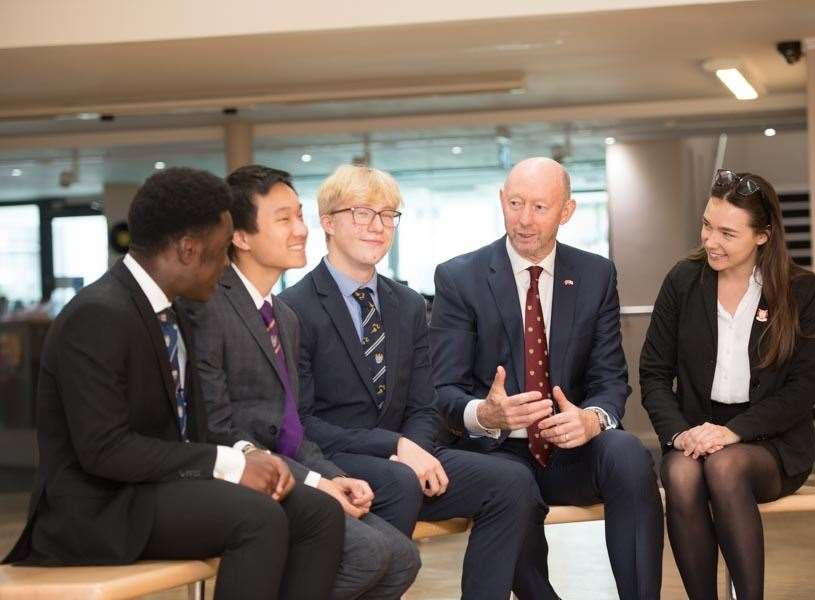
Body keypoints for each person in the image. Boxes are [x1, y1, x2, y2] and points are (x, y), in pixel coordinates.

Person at [1, 168, 345, 600]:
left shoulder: (176, 308)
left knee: (319, 513)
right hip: (102, 506)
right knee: (257, 517)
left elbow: (195, 426)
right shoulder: (97, 315)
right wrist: (231, 466)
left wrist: (248, 453)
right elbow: (105, 450)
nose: (224, 268)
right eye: (220, 253)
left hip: (163, 486)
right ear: (187, 250)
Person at [280, 164, 545, 600]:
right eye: (362, 213)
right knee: (399, 480)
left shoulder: (406, 303)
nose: (378, 226)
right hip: (337, 460)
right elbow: (303, 422)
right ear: (327, 222)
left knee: (511, 480)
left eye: (388, 215)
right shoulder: (294, 307)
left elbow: (425, 405)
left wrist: (415, 449)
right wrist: (395, 448)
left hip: (405, 458)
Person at [429, 157, 664, 600]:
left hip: (570, 451)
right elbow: (442, 390)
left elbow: (611, 378)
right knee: (509, 490)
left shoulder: (596, 274)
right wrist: (485, 413)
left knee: (629, 454)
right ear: (501, 201)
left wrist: (592, 419)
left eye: (540, 206)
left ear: (567, 212)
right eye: (515, 203)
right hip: (497, 453)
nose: (523, 219)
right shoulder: (460, 278)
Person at [189, 164, 420, 600]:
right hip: (237, 477)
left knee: (402, 557)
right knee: (369, 553)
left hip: (290, 471)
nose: (301, 230)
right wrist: (319, 484)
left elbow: (292, 427)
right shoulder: (210, 307)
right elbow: (221, 431)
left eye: (299, 216)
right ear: (239, 237)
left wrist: (334, 477)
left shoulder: (284, 317)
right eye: (284, 219)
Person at [640, 170, 815, 600]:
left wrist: (733, 432)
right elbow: (653, 373)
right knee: (682, 474)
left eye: (727, 232)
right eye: (707, 225)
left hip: (769, 441)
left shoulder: (803, 291)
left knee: (725, 467)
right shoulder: (682, 281)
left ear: (763, 235)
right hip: (694, 432)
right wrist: (680, 433)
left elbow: (803, 388)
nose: (710, 241)